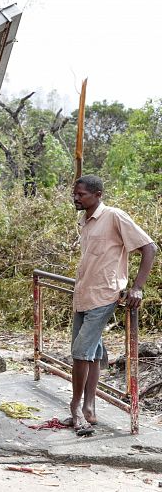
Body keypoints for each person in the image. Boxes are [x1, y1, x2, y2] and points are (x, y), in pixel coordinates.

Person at [67, 175, 157, 435]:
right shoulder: (85, 220)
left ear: (98, 195)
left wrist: (137, 288)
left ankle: (75, 408)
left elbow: (149, 248)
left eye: (81, 194)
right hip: (84, 295)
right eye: (75, 193)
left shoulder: (114, 216)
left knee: (80, 351)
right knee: (91, 353)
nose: (76, 198)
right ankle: (89, 409)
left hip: (105, 295)